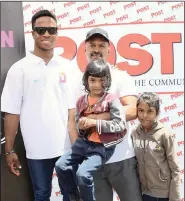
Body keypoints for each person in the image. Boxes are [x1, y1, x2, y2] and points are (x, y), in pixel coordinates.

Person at [56, 28, 143, 201]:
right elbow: (73, 121)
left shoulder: (120, 76)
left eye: (101, 45)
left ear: (109, 49)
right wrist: (80, 154)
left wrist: (95, 119)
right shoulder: (77, 82)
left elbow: (132, 110)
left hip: (121, 158)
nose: (96, 49)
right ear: (85, 49)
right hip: (91, 161)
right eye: (92, 45)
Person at [1, 10, 78, 201]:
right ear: (33, 33)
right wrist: (9, 150)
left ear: (56, 33)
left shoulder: (67, 67)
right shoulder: (19, 69)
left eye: (51, 30)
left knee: (71, 194)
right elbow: (11, 113)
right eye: (41, 29)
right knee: (41, 195)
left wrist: (77, 146)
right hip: (36, 149)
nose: (46, 34)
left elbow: (72, 111)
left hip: (66, 148)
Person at [55, 58, 127, 201]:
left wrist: (94, 123)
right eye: (93, 80)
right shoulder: (81, 101)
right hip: (84, 143)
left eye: (102, 81)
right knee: (61, 165)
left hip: (102, 147)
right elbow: (79, 127)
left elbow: (120, 124)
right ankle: (73, 195)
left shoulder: (111, 99)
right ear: (86, 80)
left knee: (82, 174)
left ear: (107, 81)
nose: (97, 85)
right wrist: (82, 127)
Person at [131, 92, 181, 201]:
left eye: (150, 111)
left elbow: (175, 169)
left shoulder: (164, 134)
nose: (144, 115)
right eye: (141, 111)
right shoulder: (134, 133)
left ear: (157, 113)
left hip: (162, 194)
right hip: (143, 192)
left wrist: (175, 198)